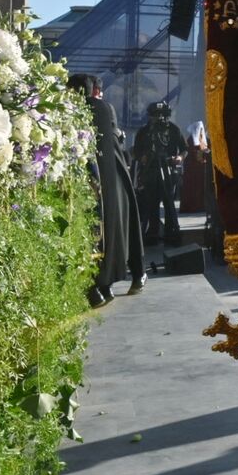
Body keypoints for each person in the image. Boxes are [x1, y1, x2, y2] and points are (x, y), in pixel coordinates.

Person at [69, 74, 144, 305]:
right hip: (116, 178)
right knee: (120, 230)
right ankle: (115, 281)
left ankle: (100, 286)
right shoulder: (104, 109)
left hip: (95, 181)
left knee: (98, 233)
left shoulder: (80, 109)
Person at [132, 101, 183, 246]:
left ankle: (170, 232)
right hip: (150, 172)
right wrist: (142, 157)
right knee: (151, 204)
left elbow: (183, 148)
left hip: (169, 171)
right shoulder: (144, 132)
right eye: (155, 115)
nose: (159, 118)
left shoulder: (173, 129)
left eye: (162, 115)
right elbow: (135, 151)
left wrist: (179, 157)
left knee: (169, 203)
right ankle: (152, 233)